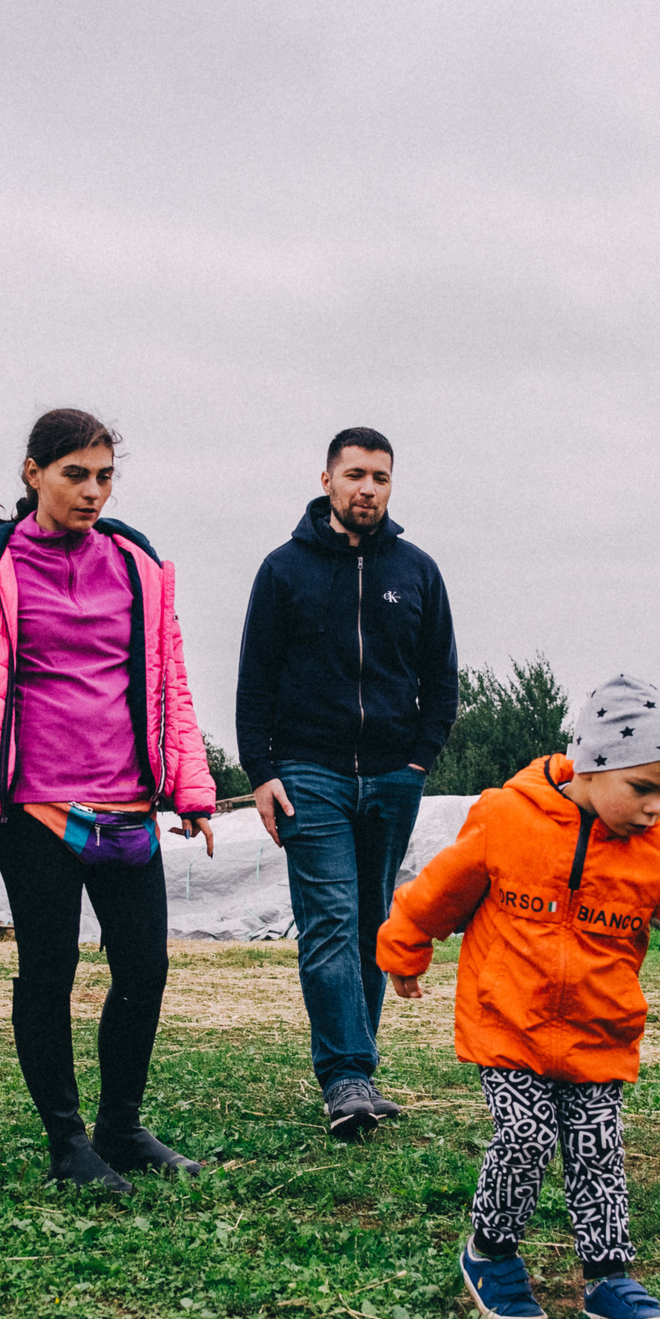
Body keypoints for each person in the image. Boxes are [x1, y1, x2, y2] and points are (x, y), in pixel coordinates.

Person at [375, 676, 660, 1319]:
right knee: (524, 1136)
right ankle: (491, 1253)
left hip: (598, 1030)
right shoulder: (506, 817)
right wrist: (404, 949)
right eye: (643, 789)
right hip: (509, 1022)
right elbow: (438, 891)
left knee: (596, 1148)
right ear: (593, 764)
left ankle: (608, 1278)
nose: (656, 808)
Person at [0, 409, 219, 1195]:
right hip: (35, 807)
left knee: (145, 969)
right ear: (33, 474)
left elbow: (170, 680)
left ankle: (121, 1128)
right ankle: (67, 1141)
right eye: (75, 474)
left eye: (105, 476)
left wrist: (190, 786)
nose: (93, 491)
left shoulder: (137, 562)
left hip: (128, 805)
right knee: (47, 971)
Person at [234, 427, 460, 1142]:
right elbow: (254, 682)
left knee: (370, 923)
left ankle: (355, 1071)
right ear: (327, 478)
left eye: (381, 477)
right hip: (309, 772)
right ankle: (347, 1076)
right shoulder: (283, 571)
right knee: (330, 920)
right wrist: (263, 772)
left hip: (393, 775)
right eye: (356, 473)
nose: (368, 488)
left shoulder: (417, 571)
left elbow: (443, 681)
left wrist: (418, 760)